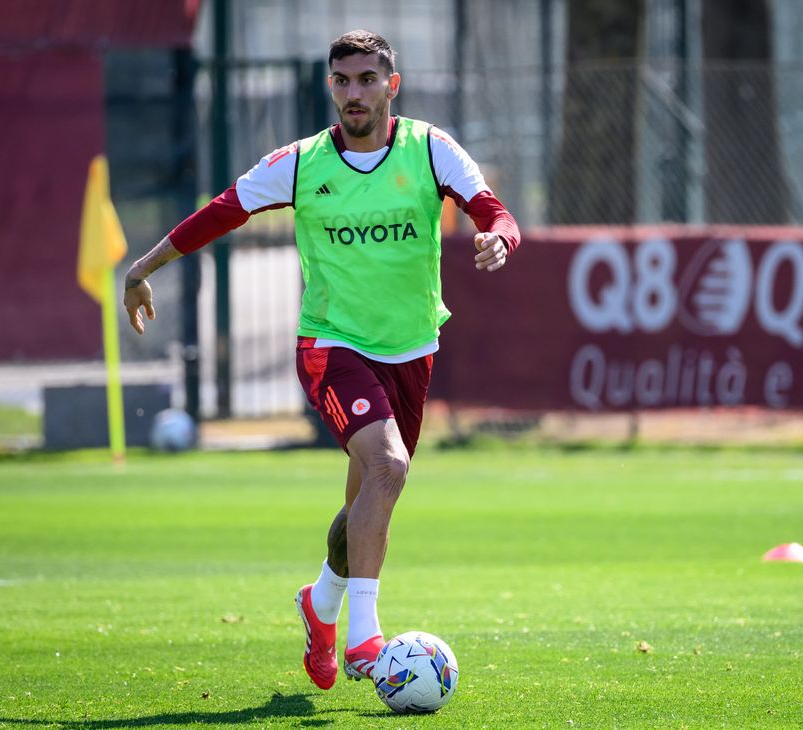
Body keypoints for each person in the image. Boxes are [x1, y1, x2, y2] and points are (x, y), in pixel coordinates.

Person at [122, 30, 520, 689]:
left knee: (368, 501)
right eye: (342, 80)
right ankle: (367, 641)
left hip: (413, 350)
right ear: (329, 86)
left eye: (367, 79)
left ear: (392, 85)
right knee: (388, 466)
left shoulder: (429, 150)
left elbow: (494, 212)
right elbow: (223, 212)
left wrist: (500, 240)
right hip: (331, 345)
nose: (354, 92)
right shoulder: (302, 164)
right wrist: (142, 266)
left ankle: (322, 602)